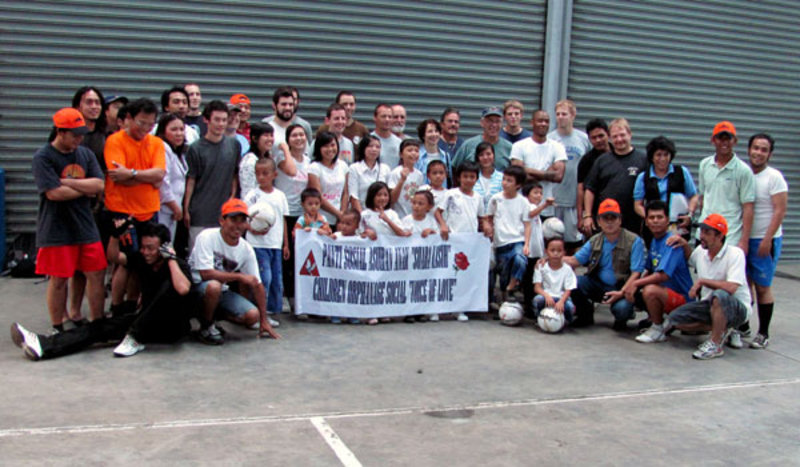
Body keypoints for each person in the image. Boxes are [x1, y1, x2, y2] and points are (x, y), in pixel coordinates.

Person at [11, 223, 195, 360]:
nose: (146, 252)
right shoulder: (142, 259)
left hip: (172, 327)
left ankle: (135, 336)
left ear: (163, 248)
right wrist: (115, 236)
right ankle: (43, 345)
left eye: (151, 249)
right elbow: (114, 257)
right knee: (99, 328)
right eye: (144, 247)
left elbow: (183, 288)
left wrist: (171, 259)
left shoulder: (177, 265)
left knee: (168, 286)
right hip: (143, 321)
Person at [32, 108, 106, 331]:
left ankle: (97, 322)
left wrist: (66, 183)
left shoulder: (85, 154)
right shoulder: (43, 157)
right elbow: (54, 194)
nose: (79, 139)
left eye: (81, 134)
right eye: (74, 134)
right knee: (59, 279)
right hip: (56, 228)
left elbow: (100, 185)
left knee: (96, 273)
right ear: (60, 132)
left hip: (85, 225)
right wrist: (85, 188)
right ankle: (58, 326)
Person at [104, 98, 167, 315]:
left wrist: (131, 173)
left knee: (144, 260)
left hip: (149, 210)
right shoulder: (115, 141)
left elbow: (159, 175)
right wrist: (146, 177)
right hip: (123, 210)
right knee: (126, 262)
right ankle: (117, 305)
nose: (145, 129)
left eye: (151, 124)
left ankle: (133, 303)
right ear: (128, 119)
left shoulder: (156, 143)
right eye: (141, 123)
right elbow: (117, 177)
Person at [190, 199, 282, 344]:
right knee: (214, 286)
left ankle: (214, 317)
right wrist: (239, 277)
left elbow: (257, 284)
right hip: (196, 288)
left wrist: (264, 320)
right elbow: (205, 274)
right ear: (222, 220)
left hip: (222, 291)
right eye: (233, 220)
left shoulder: (246, 249)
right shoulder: (206, 236)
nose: (237, 225)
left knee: (252, 316)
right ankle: (206, 327)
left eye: (242, 221)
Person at [666, 214, 751, 360]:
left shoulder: (735, 254)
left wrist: (702, 282)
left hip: (736, 308)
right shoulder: (701, 251)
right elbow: (691, 259)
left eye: (707, 232)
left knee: (719, 295)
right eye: (701, 231)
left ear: (720, 236)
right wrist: (684, 244)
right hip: (709, 305)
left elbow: (731, 288)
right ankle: (723, 328)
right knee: (675, 320)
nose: (701, 236)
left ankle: (715, 344)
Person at [565, 199, 646, 330]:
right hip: (597, 284)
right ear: (598, 221)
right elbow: (574, 260)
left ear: (620, 220)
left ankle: (622, 319)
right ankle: (585, 314)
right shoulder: (595, 240)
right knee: (574, 282)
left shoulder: (634, 241)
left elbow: (636, 273)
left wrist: (621, 292)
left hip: (622, 287)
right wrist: (551, 259)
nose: (609, 222)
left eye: (613, 218)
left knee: (622, 309)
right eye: (605, 218)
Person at [630, 200, 694, 343]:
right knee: (639, 291)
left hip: (683, 299)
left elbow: (663, 275)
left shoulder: (673, 242)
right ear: (646, 221)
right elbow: (649, 270)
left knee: (650, 290)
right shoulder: (654, 240)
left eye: (660, 217)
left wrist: (635, 284)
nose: (655, 221)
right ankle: (663, 319)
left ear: (667, 220)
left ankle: (657, 328)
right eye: (652, 218)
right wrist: (628, 289)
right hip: (666, 294)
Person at [745, 133, 787, 349]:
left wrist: (767, 239)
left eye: (763, 149)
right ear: (749, 149)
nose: (758, 153)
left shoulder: (774, 177)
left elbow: (780, 210)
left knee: (763, 287)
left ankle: (763, 332)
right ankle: (743, 326)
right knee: (744, 285)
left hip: (764, 240)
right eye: (755, 148)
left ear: (769, 154)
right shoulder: (743, 173)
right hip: (744, 238)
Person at [435, 161, 490, 322]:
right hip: (452, 239)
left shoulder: (478, 198)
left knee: (463, 277)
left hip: (470, 244)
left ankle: (459, 308)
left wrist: (486, 226)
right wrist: (444, 225)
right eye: (465, 176)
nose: (468, 180)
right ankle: (438, 308)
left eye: (472, 177)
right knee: (446, 275)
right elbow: (438, 212)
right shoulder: (450, 194)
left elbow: (482, 217)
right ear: (459, 178)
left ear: (476, 179)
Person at [183, 100, 240, 251]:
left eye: (224, 120)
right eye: (216, 119)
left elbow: (235, 174)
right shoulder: (195, 149)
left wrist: (232, 197)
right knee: (198, 257)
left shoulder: (234, 145)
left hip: (224, 214)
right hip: (200, 213)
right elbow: (191, 180)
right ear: (206, 120)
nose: (221, 124)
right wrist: (186, 209)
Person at [696, 121, 755, 253]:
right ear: (713, 140)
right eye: (720, 138)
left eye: (728, 138)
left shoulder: (743, 170)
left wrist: (744, 241)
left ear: (735, 141)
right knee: (703, 271)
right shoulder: (705, 165)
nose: (724, 143)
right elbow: (703, 197)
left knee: (727, 273)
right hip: (706, 232)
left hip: (730, 234)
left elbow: (748, 207)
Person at [243, 158, 290, 322]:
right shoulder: (252, 195)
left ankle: (270, 311)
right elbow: (243, 219)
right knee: (264, 278)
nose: (261, 177)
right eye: (258, 174)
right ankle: (258, 312)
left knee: (277, 280)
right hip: (257, 244)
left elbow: (283, 220)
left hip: (275, 244)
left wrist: (285, 244)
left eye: (265, 173)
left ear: (274, 174)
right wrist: (252, 229)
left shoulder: (280, 196)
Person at [582, 118, 648, 235]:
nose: (619, 139)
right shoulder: (602, 161)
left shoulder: (643, 160)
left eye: (622, 135)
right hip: (605, 220)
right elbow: (590, 190)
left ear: (630, 134)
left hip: (632, 223)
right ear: (610, 138)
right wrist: (587, 215)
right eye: (615, 136)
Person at [633, 136, 698, 239]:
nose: (662, 159)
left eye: (666, 155)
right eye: (658, 155)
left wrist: (689, 214)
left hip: (677, 226)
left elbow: (693, 196)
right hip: (653, 229)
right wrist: (652, 218)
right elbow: (637, 205)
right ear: (652, 157)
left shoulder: (682, 172)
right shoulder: (643, 177)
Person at [547, 99, 591, 249]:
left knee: (573, 243)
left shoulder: (584, 139)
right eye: (558, 114)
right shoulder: (550, 139)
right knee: (552, 241)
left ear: (573, 115)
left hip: (574, 200)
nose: (560, 117)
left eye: (564, 114)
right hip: (555, 200)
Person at [274, 124, 307, 311]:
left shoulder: (309, 160)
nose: (299, 138)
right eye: (294, 135)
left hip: (301, 214)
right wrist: (286, 149)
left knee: (298, 258)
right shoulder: (281, 157)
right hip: (285, 213)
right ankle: (284, 296)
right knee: (284, 257)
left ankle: (297, 296)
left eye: (302, 135)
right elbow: (291, 170)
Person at [510, 109, 566, 219]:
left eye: (546, 121)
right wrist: (547, 173)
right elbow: (518, 176)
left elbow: (558, 176)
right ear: (532, 122)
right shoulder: (519, 146)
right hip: (522, 207)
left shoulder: (557, 147)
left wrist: (527, 170)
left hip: (547, 207)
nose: (543, 124)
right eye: (540, 121)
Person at [487, 166, 530, 299]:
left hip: (516, 239)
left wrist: (526, 244)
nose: (505, 183)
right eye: (504, 179)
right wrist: (490, 234)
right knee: (504, 272)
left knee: (520, 260)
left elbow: (527, 224)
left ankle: (513, 283)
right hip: (500, 242)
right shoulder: (495, 199)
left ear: (518, 185)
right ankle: (505, 293)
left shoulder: (523, 201)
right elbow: (489, 217)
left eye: (509, 180)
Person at [155, 113, 189, 241]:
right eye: (174, 129)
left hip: (172, 211)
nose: (179, 133)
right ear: (163, 132)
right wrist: (175, 207)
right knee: (162, 245)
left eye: (181, 129)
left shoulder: (178, 152)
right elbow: (164, 182)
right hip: (164, 209)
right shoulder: (163, 148)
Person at [522, 182, 553, 316]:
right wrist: (545, 205)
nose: (539, 196)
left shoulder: (536, 208)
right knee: (529, 279)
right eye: (535, 193)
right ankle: (528, 305)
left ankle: (534, 305)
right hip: (530, 251)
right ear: (527, 194)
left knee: (536, 278)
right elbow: (530, 214)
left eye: (540, 193)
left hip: (537, 250)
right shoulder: (527, 206)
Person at [307, 131, 349, 228]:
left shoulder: (343, 166)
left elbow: (345, 193)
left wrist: (342, 214)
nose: (330, 149)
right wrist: (338, 214)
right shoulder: (314, 168)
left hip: (340, 220)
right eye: (325, 146)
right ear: (319, 148)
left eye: (332, 145)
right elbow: (317, 196)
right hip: (321, 219)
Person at [576, 118, 611, 235]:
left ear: (608, 134)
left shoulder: (619, 154)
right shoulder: (586, 161)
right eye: (593, 138)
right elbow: (581, 189)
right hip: (596, 214)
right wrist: (582, 217)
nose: (598, 140)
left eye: (601, 136)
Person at [451, 106, 513, 171]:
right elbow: (454, 169)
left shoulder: (509, 147)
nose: (494, 125)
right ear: (482, 123)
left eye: (497, 121)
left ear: (502, 124)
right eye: (490, 121)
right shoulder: (468, 145)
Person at [533, 237, 577, 323]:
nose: (556, 253)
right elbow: (537, 287)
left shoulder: (567, 269)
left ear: (564, 252)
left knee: (570, 307)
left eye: (559, 250)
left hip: (561, 297)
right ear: (546, 251)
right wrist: (546, 296)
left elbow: (568, 290)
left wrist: (561, 301)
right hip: (546, 296)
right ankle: (539, 318)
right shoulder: (541, 267)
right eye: (552, 250)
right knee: (537, 300)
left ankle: (566, 321)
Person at [348, 135, 390, 212]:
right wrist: (363, 217)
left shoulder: (385, 169)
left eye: (377, 147)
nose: (374, 149)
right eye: (370, 146)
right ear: (363, 148)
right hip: (360, 213)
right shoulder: (354, 168)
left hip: (380, 214)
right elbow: (353, 196)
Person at [72, 86, 107, 170]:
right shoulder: (67, 133)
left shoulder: (106, 135)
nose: (94, 106)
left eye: (97, 103)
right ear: (78, 107)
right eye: (89, 102)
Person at [388, 139, 424, 218]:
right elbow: (391, 199)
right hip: (399, 216)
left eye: (416, 151)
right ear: (401, 154)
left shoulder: (419, 175)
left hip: (414, 217)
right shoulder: (396, 173)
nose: (413, 153)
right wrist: (402, 180)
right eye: (410, 150)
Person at [239, 122, 276, 198]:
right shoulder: (250, 161)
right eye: (266, 135)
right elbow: (248, 192)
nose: (270, 139)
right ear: (254, 138)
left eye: (271, 135)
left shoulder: (268, 157)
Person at [415, 118, 452, 186]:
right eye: (430, 131)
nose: (434, 134)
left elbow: (449, 180)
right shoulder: (417, 156)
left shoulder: (446, 156)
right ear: (423, 135)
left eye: (436, 131)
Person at [473, 141, 504, 210]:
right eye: (481, 155)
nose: (485, 157)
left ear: (494, 156)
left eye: (488, 154)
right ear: (477, 158)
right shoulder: (472, 177)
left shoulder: (502, 178)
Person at [371, 103, 402, 168]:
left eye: (390, 117)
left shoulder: (399, 143)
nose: (387, 119)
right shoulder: (367, 141)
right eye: (383, 116)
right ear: (375, 118)